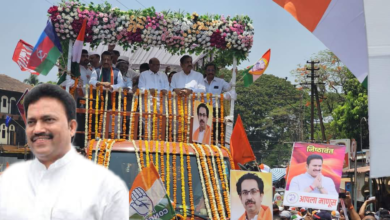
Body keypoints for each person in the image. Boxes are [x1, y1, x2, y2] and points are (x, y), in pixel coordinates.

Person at [0, 84, 129, 219]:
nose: (38, 129)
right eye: (31, 121)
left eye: (49, 120)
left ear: (71, 127)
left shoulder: (107, 190)